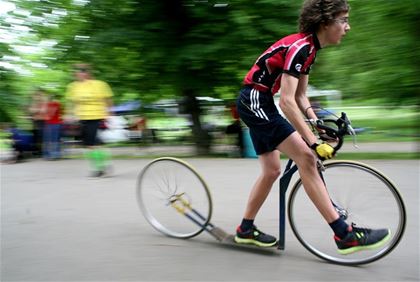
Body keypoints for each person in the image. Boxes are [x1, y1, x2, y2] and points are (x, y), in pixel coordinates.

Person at [234, 0, 390, 254]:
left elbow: (300, 97)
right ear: (325, 22)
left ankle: (245, 230)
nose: (347, 27)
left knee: (272, 171)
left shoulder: (310, 49)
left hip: (259, 101)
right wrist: (314, 143)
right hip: (255, 100)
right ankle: (344, 235)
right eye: (343, 20)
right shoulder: (300, 47)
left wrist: (318, 127)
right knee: (307, 157)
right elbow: (286, 101)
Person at [65, 63, 113, 177]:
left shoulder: (100, 84)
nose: (80, 73)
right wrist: (68, 114)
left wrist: (110, 113)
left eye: (83, 71)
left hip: (97, 116)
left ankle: (99, 168)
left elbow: (108, 99)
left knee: (94, 144)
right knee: (88, 145)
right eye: (78, 71)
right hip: (82, 117)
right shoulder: (72, 86)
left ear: (88, 73)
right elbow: (71, 102)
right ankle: (103, 163)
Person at [43, 93, 63, 160]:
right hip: (54, 124)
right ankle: (55, 154)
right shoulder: (57, 104)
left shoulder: (49, 105)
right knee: (55, 140)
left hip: (51, 124)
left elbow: (48, 114)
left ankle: (49, 155)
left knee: (50, 140)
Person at [28, 88, 47, 156]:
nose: (39, 96)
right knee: (35, 136)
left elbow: (44, 111)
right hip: (35, 121)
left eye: (40, 95)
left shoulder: (44, 103)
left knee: (41, 136)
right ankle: (36, 151)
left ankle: (41, 151)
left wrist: (36, 110)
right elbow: (31, 111)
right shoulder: (33, 103)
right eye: (37, 95)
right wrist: (37, 110)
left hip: (42, 121)